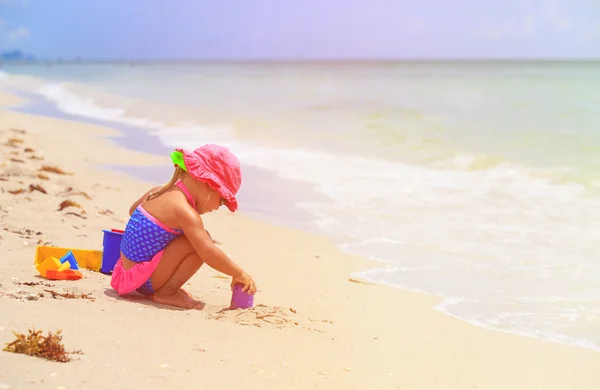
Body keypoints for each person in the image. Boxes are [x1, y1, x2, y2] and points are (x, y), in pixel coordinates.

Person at [110, 144, 257, 309]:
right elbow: (208, 252)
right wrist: (238, 273)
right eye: (222, 200)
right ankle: (166, 292)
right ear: (209, 184)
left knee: (189, 237)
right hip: (144, 281)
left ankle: (164, 285)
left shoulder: (157, 191)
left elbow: (133, 212)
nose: (217, 207)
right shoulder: (185, 212)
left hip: (124, 272)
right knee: (201, 241)